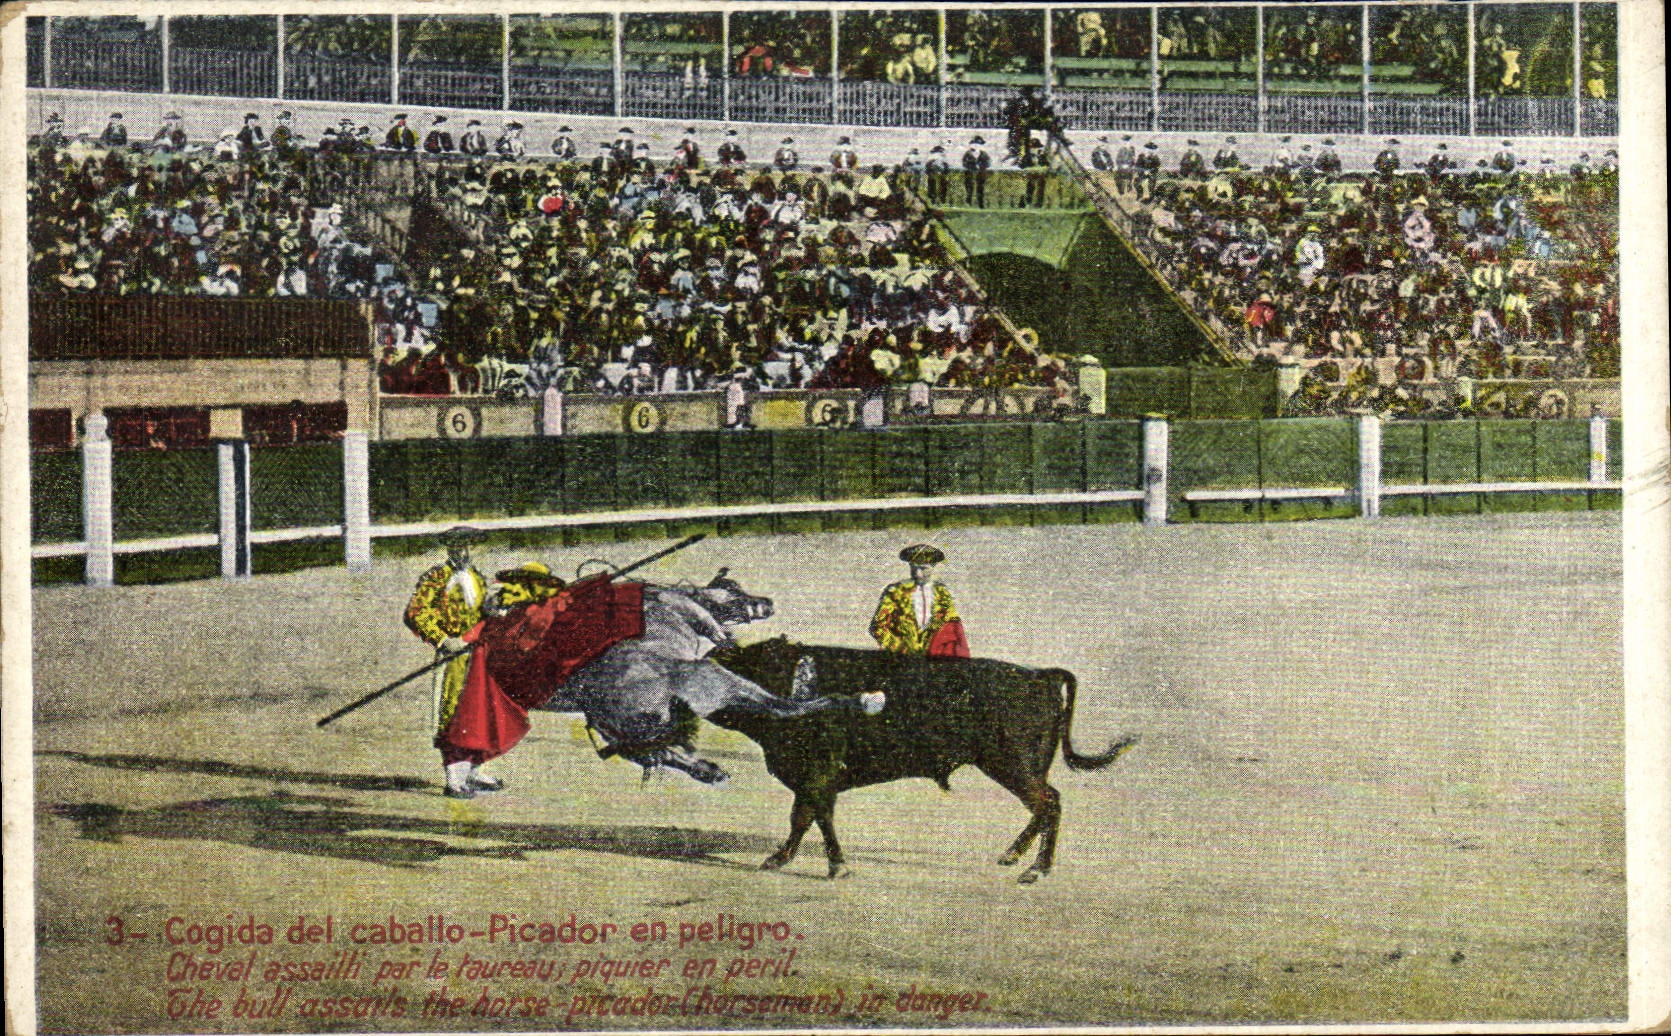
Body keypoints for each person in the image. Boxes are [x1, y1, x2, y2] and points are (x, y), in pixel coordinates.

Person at [404, 526, 492, 798]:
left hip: (478, 654)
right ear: (448, 549)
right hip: (453, 655)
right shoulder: (436, 578)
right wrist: (442, 640)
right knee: (454, 712)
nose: (462, 552)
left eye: (466, 546)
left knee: (479, 710)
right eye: (456, 546)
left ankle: (473, 772)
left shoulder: (477, 577)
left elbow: (481, 612)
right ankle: (455, 779)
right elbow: (415, 613)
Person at [871, 544, 966, 657]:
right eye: (914, 568)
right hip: (899, 659)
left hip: (933, 659)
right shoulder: (894, 592)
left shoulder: (942, 594)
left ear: (933, 566)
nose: (917, 573)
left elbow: (953, 626)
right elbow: (877, 626)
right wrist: (898, 647)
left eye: (923, 569)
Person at [961, 136, 990, 208]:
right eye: (975, 144)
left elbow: (988, 163)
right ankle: (969, 202)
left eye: (979, 145)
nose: (977, 146)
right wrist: (972, 166)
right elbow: (964, 163)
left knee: (980, 189)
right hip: (970, 174)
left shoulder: (984, 154)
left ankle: (980, 203)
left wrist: (980, 166)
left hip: (980, 175)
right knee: (969, 188)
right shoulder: (968, 154)